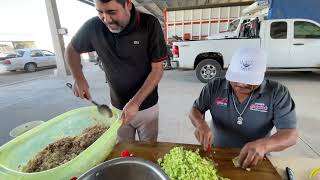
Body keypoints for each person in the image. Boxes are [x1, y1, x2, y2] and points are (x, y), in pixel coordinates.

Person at [65, 0, 167, 142]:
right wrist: (78, 77)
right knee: (122, 151)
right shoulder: (93, 26)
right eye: (100, 12)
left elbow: (157, 70)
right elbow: (71, 50)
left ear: (128, 4)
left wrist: (135, 102)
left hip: (147, 108)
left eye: (112, 12)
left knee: (148, 151)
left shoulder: (149, 24)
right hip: (116, 108)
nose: (106, 19)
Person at [189, 48, 298, 168]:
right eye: (237, 77)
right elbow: (195, 110)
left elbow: (290, 134)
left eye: (250, 79)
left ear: (263, 73)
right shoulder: (214, 87)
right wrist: (201, 125)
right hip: (217, 152)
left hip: (257, 159)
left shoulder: (277, 93)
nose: (242, 84)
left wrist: (264, 145)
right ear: (230, 68)